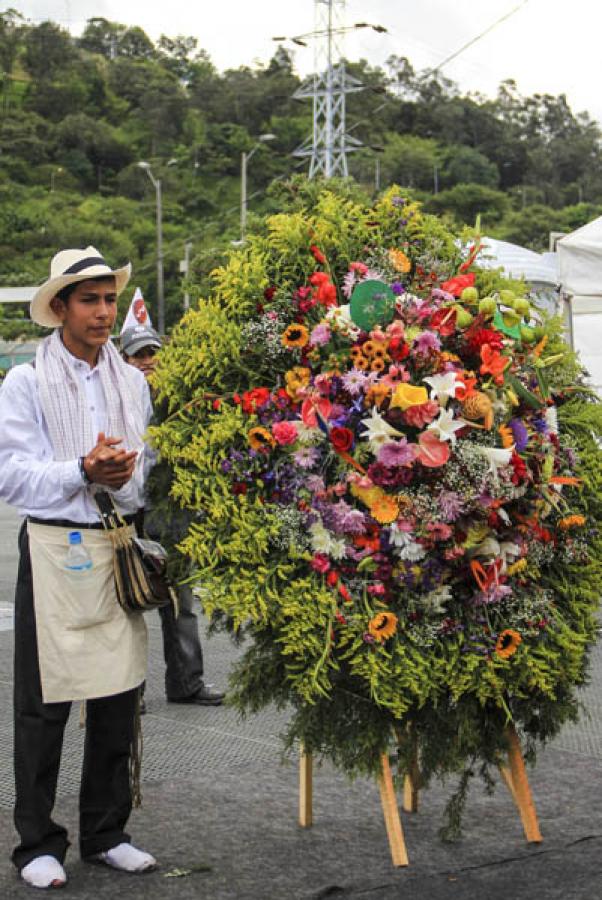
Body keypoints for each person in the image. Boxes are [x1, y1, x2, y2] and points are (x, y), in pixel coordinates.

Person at [0, 247, 157, 889]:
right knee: (45, 704)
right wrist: (82, 470)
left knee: (119, 697)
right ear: (59, 308)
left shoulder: (133, 380)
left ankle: (106, 832)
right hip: (53, 549)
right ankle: (37, 841)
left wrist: (120, 476)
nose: (102, 312)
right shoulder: (26, 382)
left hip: (115, 541)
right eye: (88, 300)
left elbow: (141, 476)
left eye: (108, 299)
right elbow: (12, 476)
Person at [120, 324, 224, 708]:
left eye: (151, 353)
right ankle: (129, 691)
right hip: (126, 510)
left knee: (179, 602)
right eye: (138, 355)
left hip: (171, 509)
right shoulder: (118, 395)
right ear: (125, 358)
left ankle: (186, 683)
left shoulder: (180, 398)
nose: (146, 361)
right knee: (128, 600)